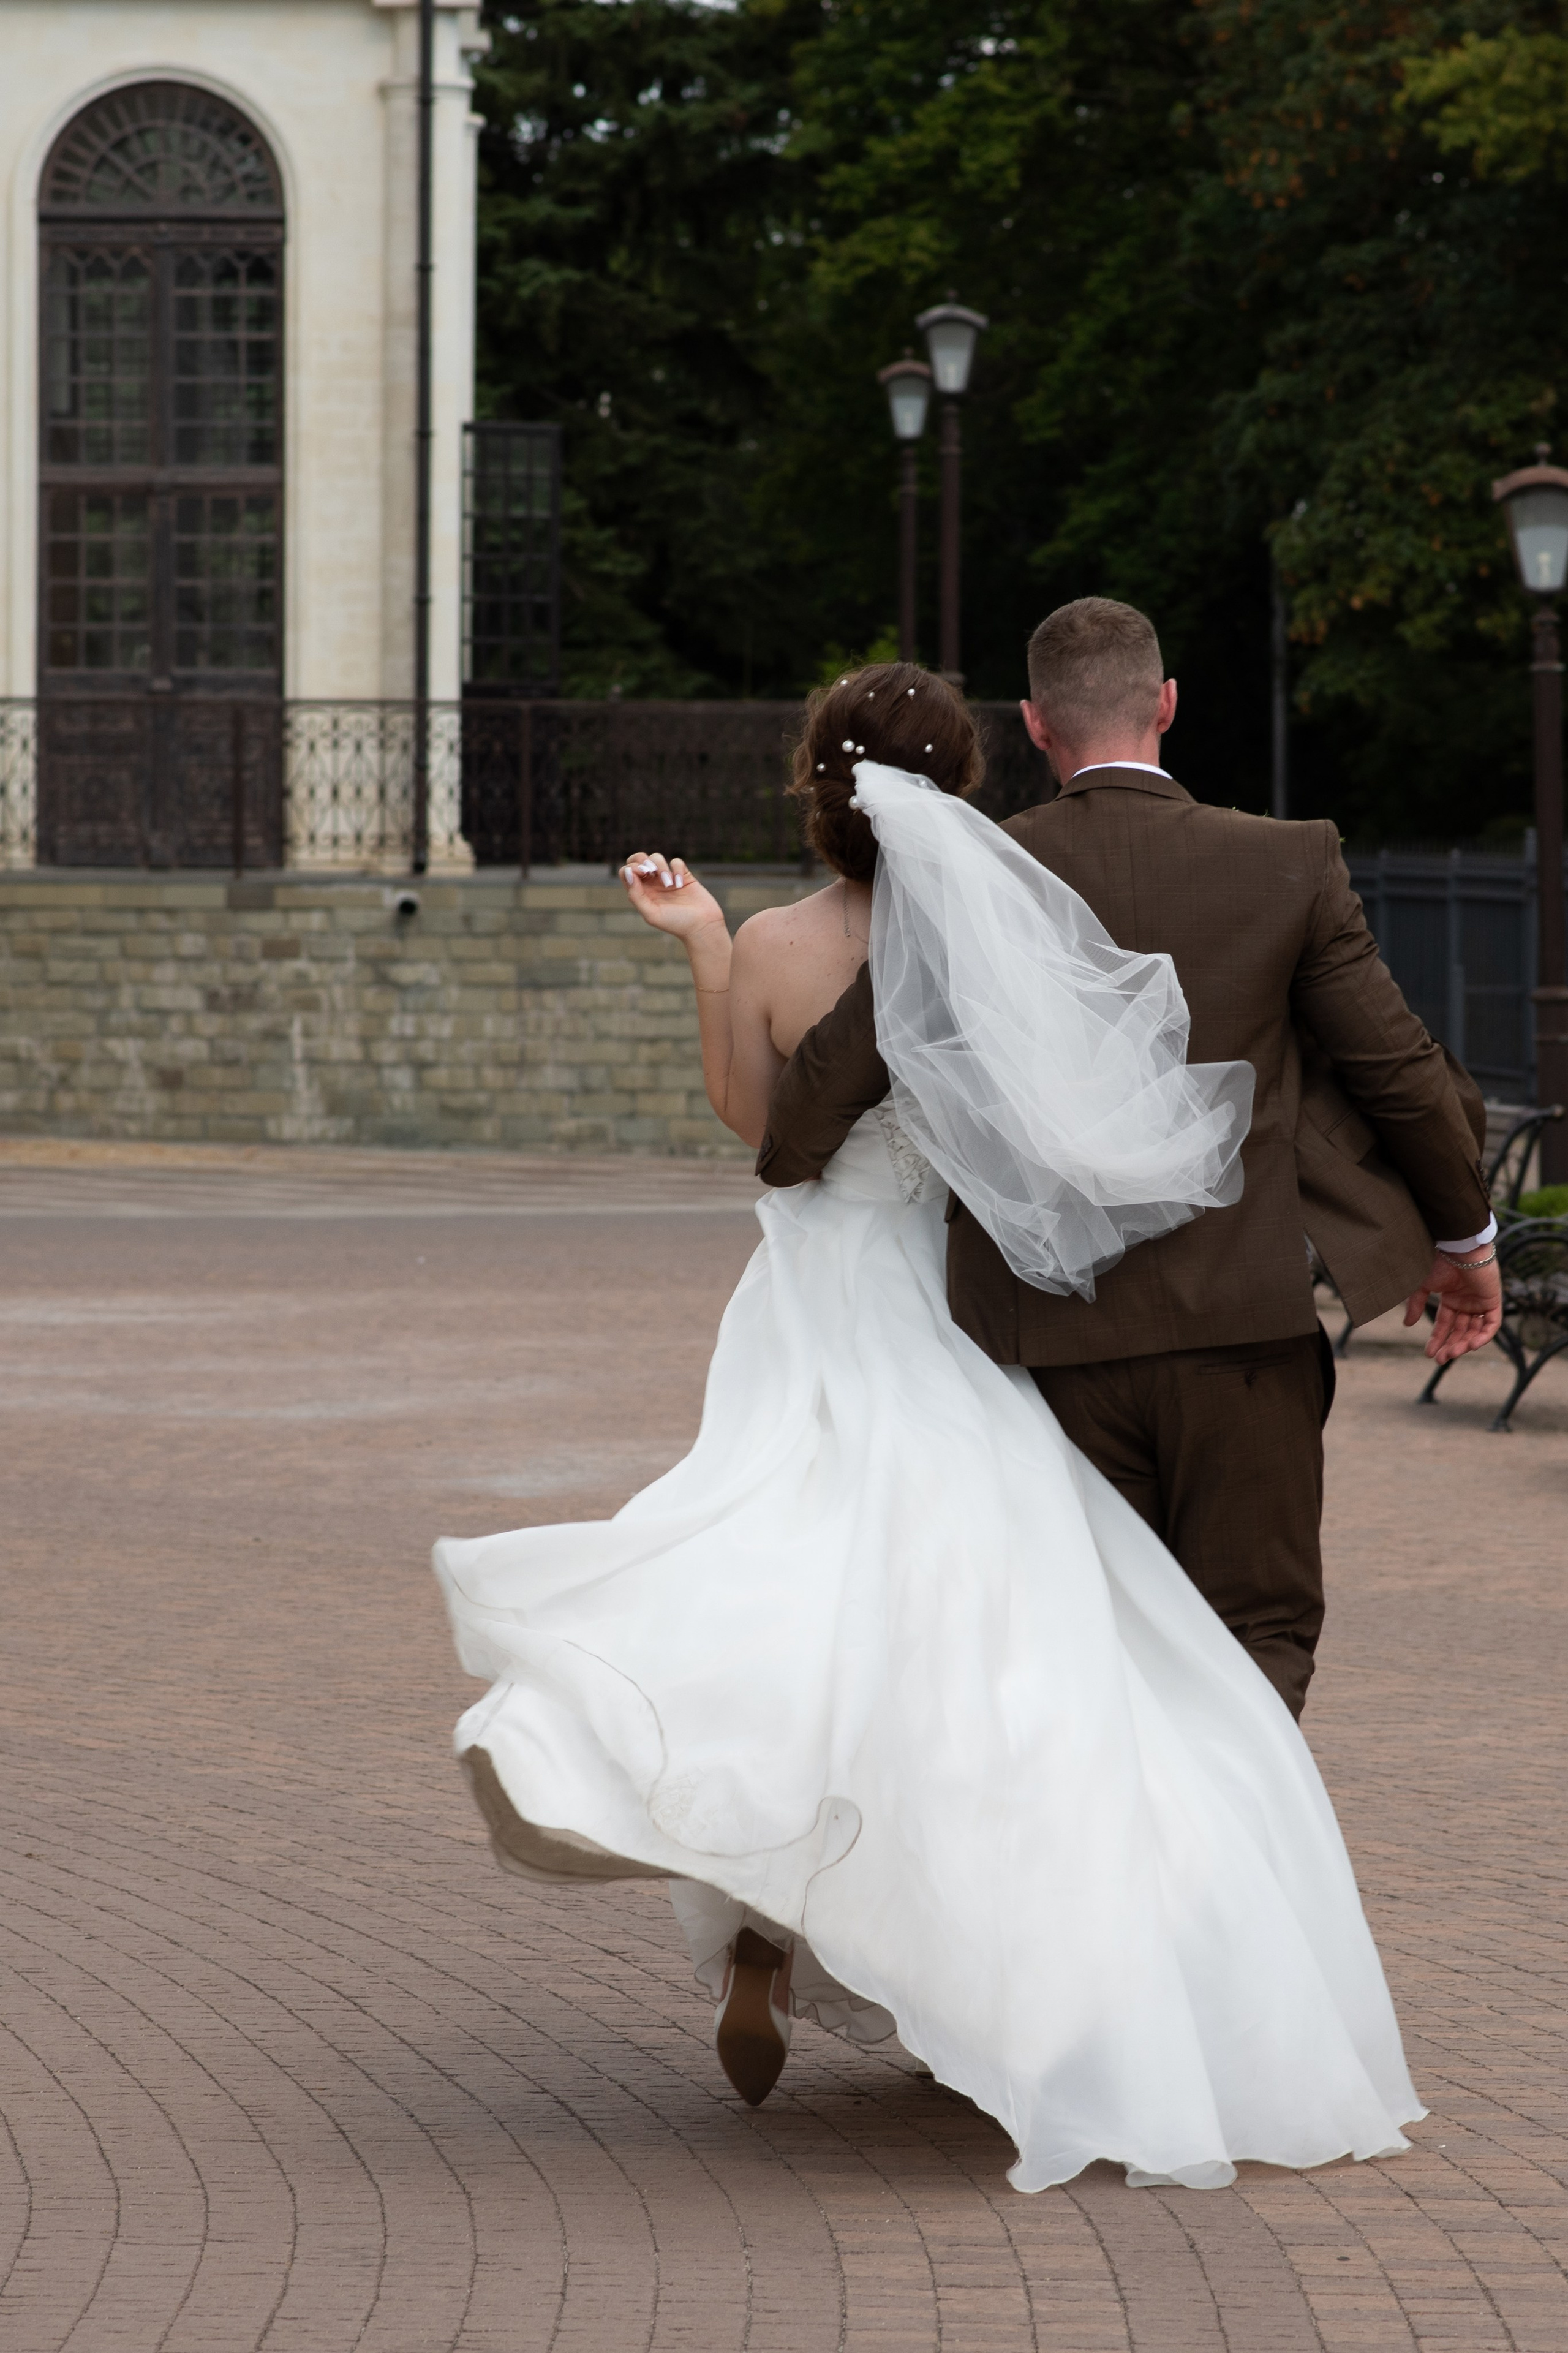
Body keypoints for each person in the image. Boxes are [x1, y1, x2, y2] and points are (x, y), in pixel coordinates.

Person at [434, 659, 1429, 2195]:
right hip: (966, 1314)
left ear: (815, 794)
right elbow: (1072, 1126)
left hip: (818, 1301)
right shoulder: (980, 931)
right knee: (997, 1642)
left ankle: (762, 1917)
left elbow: (764, 1132)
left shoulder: (775, 940)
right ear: (963, 784)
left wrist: (703, 948)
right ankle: (1054, 1962)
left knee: (790, 1571)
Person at [758, 602, 1501, 1720]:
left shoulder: (973, 875)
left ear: (1035, 724)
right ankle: (1227, 1882)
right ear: (1165, 705)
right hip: (1243, 1334)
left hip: (1045, 1352)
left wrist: (795, 1152)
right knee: (1257, 1634)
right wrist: (1465, 1240)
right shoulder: (1289, 863)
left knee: (1077, 1650)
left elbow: (825, 1090)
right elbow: (1396, 1067)